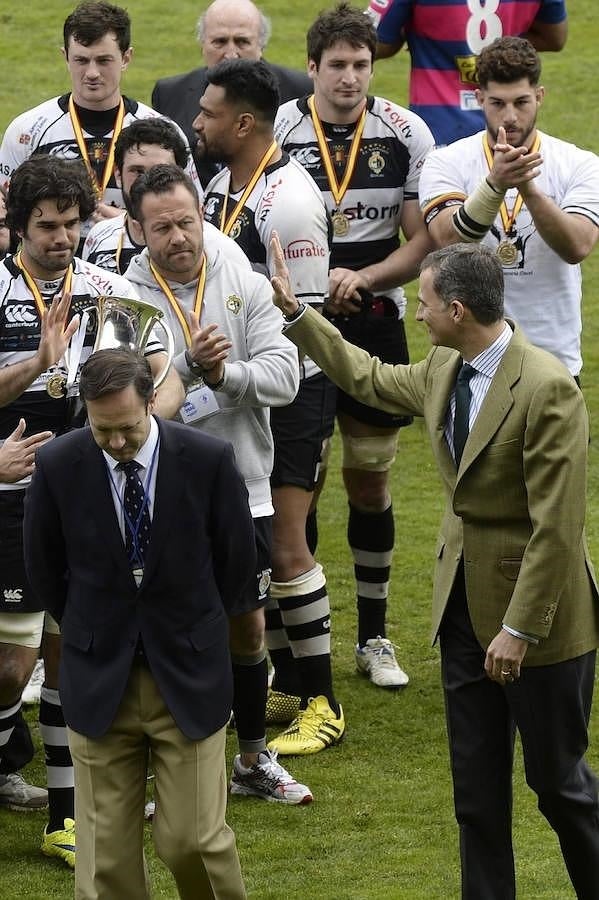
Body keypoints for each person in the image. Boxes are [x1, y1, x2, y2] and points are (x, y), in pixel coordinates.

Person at [271, 235, 599, 899]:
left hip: (540, 626)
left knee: (558, 786)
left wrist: (519, 630)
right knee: (475, 798)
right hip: (459, 613)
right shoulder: (443, 370)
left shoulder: (547, 389)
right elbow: (366, 378)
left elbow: (556, 528)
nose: (415, 316)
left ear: (456, 309)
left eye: (423, 304)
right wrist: (298, 315)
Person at [0, 154, 182, 867]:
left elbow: (155, 382)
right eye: (46, 226)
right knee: (14, 668)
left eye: (71, 224)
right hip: (11, 496)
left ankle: (65, 819)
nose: (61, 238)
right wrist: (35, 362)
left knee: (70, 652)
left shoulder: (107, 292)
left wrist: (134, 435)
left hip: (87, 503)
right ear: (21, 225)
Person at [24, 347, 251, 900]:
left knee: (192, 840)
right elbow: (45, 572)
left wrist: (193, 627)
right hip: (99, 675)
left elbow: (236, 568)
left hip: (188, 676)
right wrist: (93, 628)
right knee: (104, 859)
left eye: (126, 428)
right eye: (102, 431)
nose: (116, 443)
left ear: (153, 401)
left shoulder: (208, 460)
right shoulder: (58, 466)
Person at [125, 164, 314, 799]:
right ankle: (169, 768)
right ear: (136, 229)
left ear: (201, 212)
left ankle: (252, 759)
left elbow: (285, 380)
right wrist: (185, 364)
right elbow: (147, 406)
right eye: (161, 227)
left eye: (187, 221)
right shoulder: (124, 299)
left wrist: (222, 376)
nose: (178, 237)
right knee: (168, 628)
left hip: (243, 486)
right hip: (160, 495)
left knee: (247, 625)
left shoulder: (239, 270)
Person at [274, 3, 434, 695]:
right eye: (335, 65)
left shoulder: (405, 130)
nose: (348, 77)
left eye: (360, 65)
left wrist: (362, 276)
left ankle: (372, 635)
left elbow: (425, 238)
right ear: (311, 68)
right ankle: (298, 649)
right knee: (296, 489)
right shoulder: (281, 126)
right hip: (293, 319)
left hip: (372, 316)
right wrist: (311, 285)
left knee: (369, 479)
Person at [195, 57, 344, 754]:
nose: (198, 122)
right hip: (252, 383)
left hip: (296, 387)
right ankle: (289, 678)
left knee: (286, 543)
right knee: (260, 542)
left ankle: (322, 701)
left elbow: (304, 320)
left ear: (244, 123)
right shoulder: (224, 183)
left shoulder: (286, 199)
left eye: (210, 113)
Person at [418, 36, 599, 379]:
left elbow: (577, 246)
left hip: (552, 358)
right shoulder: (446, 162)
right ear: (480, 98)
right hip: (468, 358)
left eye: (522, 102)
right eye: (498, 103)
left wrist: (528, 188)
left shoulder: (580, 163)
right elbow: (449, 241)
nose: (511, 117)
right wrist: (495, 185)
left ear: (540, 96)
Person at [0, 1, 198, 245]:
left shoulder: (163, 133)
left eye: (104, 61)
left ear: (126, 58)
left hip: (139, 271)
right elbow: (10, 217)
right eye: (81, 60)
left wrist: (129, 224)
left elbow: (191, 215)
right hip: (53, 272)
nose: (92, 73)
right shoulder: (27, 131)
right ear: (65, 57)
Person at [151, 0, 312, 186]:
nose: (231, 54)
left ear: (261, 45)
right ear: (203, 44)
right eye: (220, 42)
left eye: (242, 42)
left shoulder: (300, 91)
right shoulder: (170, 93)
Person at [365, 0, 568, 146]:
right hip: (511, 129)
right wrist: (506, 46)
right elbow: (554, 37)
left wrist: (411, 33)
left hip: (439, 133)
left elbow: (368, 41)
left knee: (442, 204)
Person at [82, 117, 250, 276]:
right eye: (138, 171)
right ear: (118, 175)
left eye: (161, 171)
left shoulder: (220, 250)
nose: (148, 181)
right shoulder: (99, 236)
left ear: (182, 175)